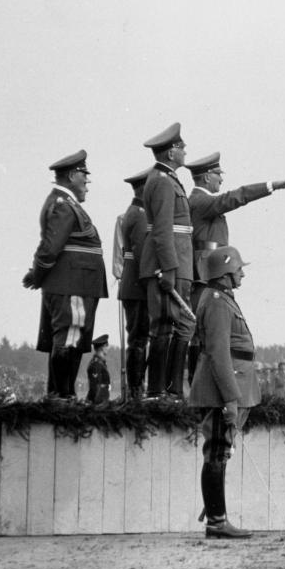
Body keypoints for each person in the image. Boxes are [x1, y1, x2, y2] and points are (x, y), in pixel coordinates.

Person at [184, 151, 285, 381]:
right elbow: (236, 196)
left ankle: (201, 379)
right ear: (206, 177)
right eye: (218, 175)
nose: (221, 179)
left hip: (209, 270)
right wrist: (270, 186)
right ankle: (199, 380)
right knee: (205, 330)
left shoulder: (200, 201)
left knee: (207, 329)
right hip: (207, 273)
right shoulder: (201, 200)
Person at [22, 150, 108, 399]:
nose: (87, 183)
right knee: (69, 337)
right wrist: (37, 275)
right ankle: (62, 397)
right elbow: (50, 249)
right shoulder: (63, 206)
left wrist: (37, 274)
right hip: (73, 284)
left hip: (77, 283)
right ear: (72, 175)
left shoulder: (67, 205)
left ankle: (63, 396)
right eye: (84, 176)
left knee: (73, 337)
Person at [189, 245, 257, 539]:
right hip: (219, 392)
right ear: (226, 273)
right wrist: (230, 398)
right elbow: (218, 353)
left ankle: (217, 515)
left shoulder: (221, 299)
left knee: (220, 452)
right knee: (216, 451)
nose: (242, 273)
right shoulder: (217, 301)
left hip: (225, 389)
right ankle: (217, 521)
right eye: (238, 269)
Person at [139, 123, 194, 400]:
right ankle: (157, 390)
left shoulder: (166, 179)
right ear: (171, 152)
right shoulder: (161, 181)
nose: (185, 151)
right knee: (164, 325)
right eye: (182, 147)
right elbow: (161, 230)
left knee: (177, 325)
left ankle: (170, 390)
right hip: (169, 264)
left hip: (178, 262)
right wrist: (170, 269)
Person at [117, 168, 152, 400]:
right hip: (138, 286)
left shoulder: (133, 212)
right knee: (139, 338)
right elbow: (142, 253)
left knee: (137, 338)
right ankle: (136, 389)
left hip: (133, 285)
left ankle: (136, 388)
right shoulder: (139, 214)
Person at [86, 334, 111, 403]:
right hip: (97, 403)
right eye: (106, 346)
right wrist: (98, 405)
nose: (108, 348)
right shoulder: (96, 364)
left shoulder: (101, 363)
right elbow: (95, 388)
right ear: (102, 348)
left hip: (102, 401)